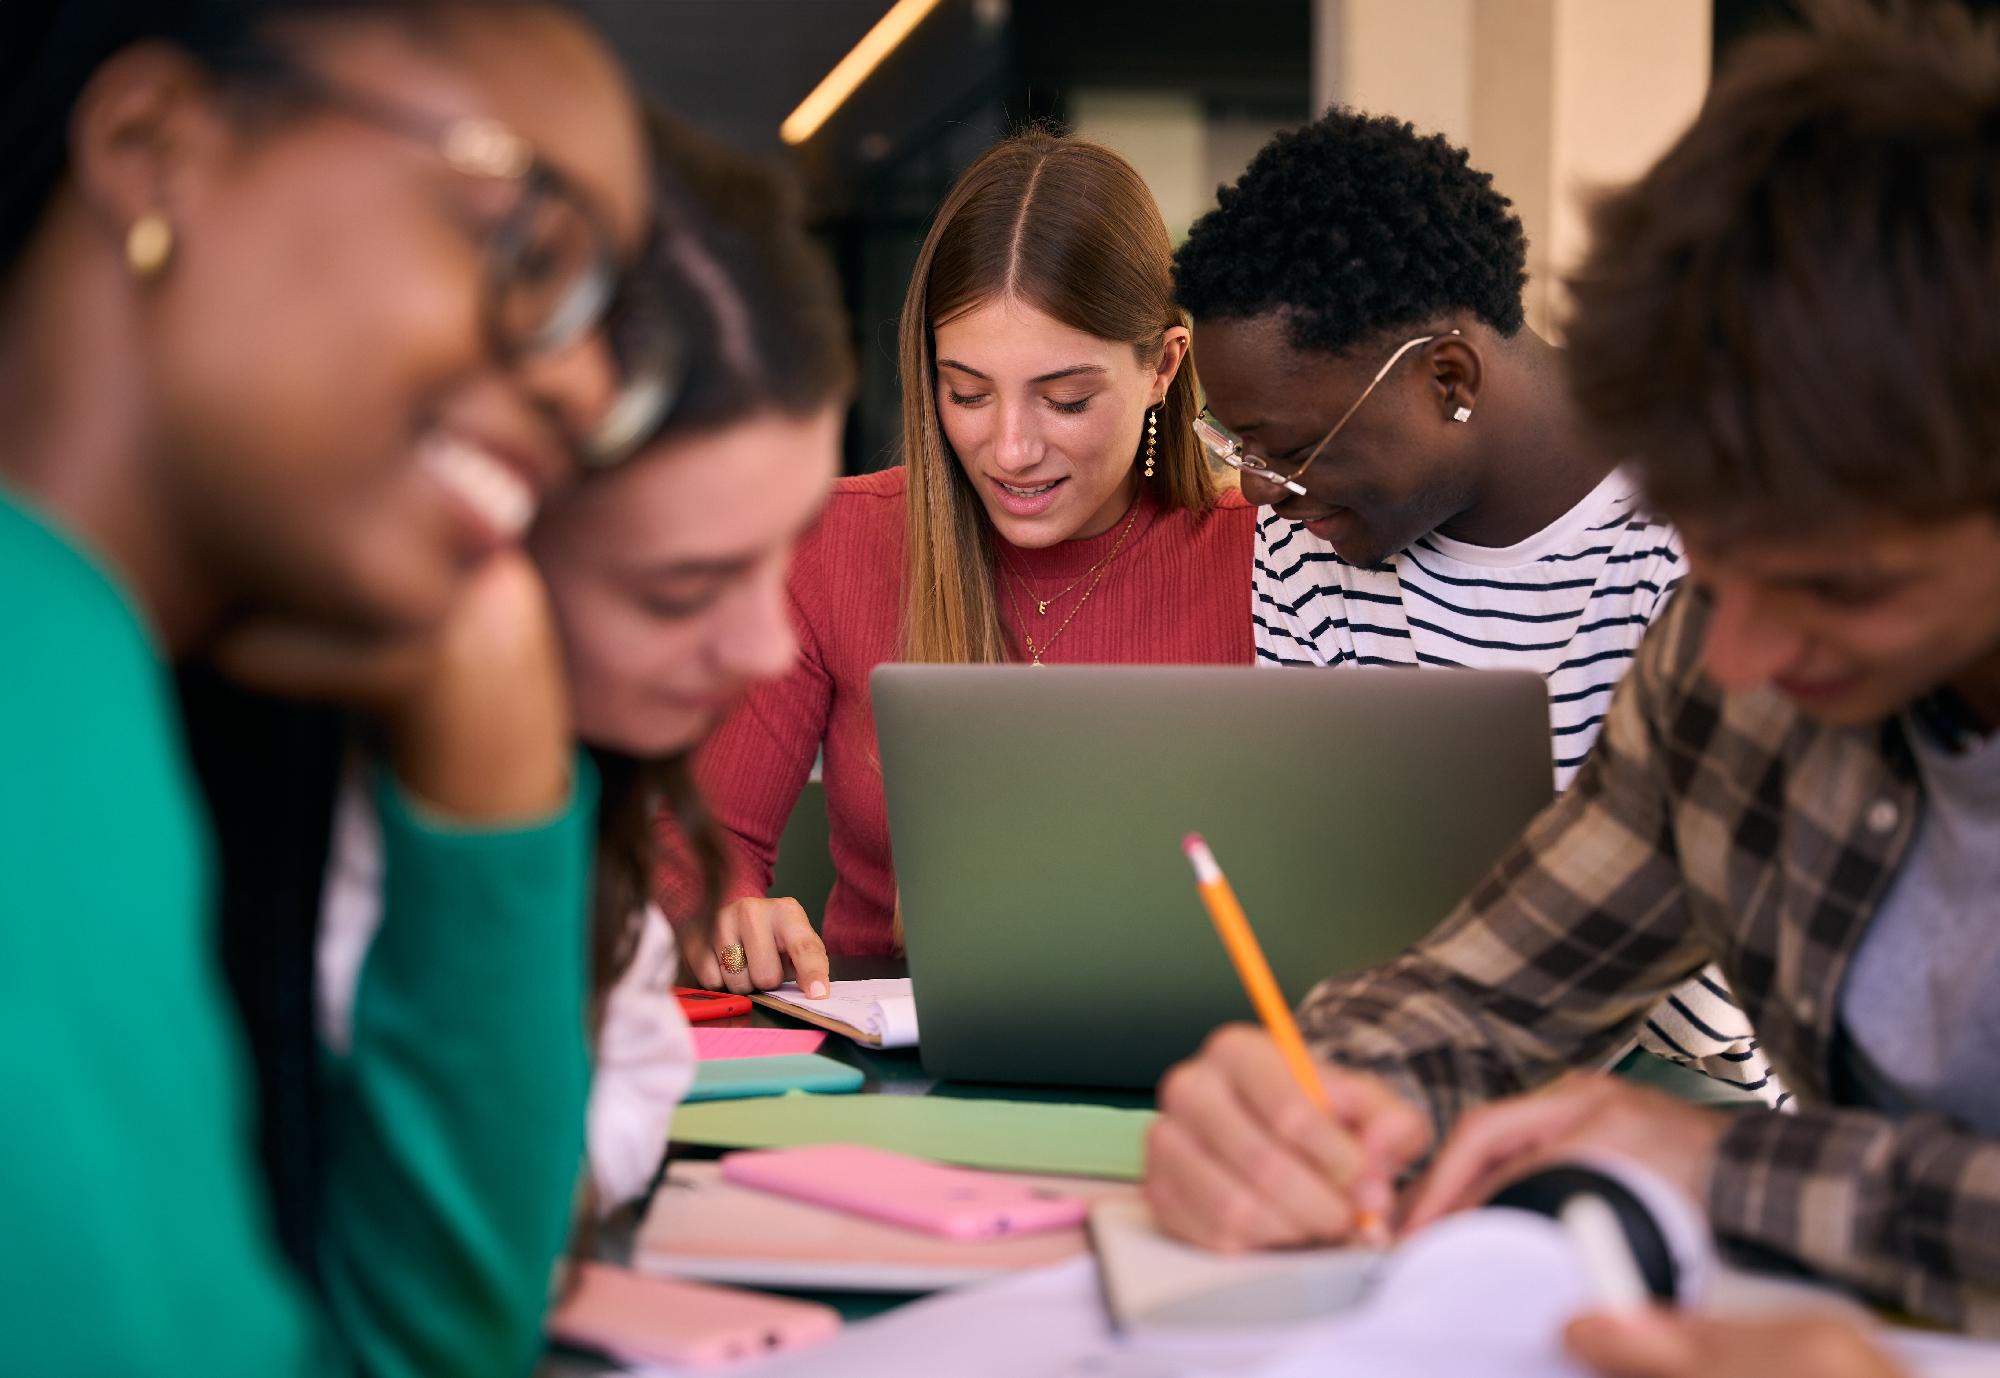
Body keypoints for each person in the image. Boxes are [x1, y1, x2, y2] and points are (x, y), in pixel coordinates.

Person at [1144, 0, 2000, 1335]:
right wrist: (1320, 1093)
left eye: (1839, 584)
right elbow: (1490, 987)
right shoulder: (1719, 680)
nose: (1745, 653)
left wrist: (1730, 1170)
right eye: (1716, 558)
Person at [0, 0, 660, 1371]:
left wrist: (487, 756)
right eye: (525, 244)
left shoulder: (105, 689)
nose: (587, 384)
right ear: (155, 146)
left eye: (610, 320)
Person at [316, 109, 857, 1214]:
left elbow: (625, 1087)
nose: (765, 646)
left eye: (781, 553)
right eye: (681, 586)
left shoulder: (588, 791)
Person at [1172, 108, 1773, 1101]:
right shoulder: (1308, 534)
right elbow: (1325, 892)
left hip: (1685, 1107)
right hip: (1404, 1064)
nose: (1256, 492)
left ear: (1446, 376)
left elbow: (1723, 992)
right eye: (1235, 446)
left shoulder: (1705, 551)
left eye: (1285, 447)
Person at [667, 130, 1257, 991]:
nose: (1010, 449)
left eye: (1066, 398)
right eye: (967, 392)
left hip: (1199, 1057)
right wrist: (718, 910)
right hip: (891, 1064)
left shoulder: (1265, 556)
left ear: (1164, 365)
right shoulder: (833, 543)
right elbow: (691, 850)